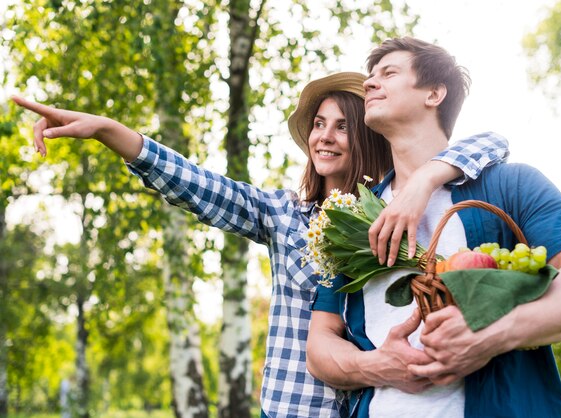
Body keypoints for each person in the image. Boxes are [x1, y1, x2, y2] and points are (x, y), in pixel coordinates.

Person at [12, 72, 510, 417]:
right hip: (296, 409)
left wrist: (427, 179)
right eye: (318, 124)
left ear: (365, 136)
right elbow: (195, 183)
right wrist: (106, 130)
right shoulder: (283, 215)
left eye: (342, 126)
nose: (325, 137)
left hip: (374, 406)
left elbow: (491, 144)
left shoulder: (405, 213)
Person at [307, 38, 561, 418]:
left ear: (434, 93)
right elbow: (319, 345)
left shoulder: (511, 185)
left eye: (388, 73)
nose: (369, 83)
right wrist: (379, 365)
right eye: (370, 76)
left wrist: (488, 335)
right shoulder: (354, 218)